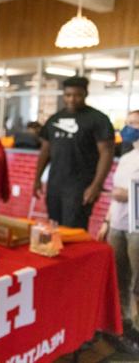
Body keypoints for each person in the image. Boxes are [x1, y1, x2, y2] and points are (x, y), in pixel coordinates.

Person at [33, 76, 114, 229]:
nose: (72, 99)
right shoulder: (54, 119)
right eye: (68, 95)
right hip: (55, 184)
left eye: (77, 95)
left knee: (73, 231)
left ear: (85, 94)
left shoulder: (98, 119)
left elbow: (106, 153)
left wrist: (96, 185)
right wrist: (37, 179)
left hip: (81, 186)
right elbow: (45, 151)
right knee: (54, 228)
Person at [97, 110, 139, 353]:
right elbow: (115, 194)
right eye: (128, 123)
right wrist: (106, 221)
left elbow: (126, 192)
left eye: (134, 124)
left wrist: (130, 195)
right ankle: (122, 324)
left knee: (136, 281)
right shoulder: (126, 157)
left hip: (136, 229)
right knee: (119, 276)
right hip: (118, 226)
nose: (128, 128)